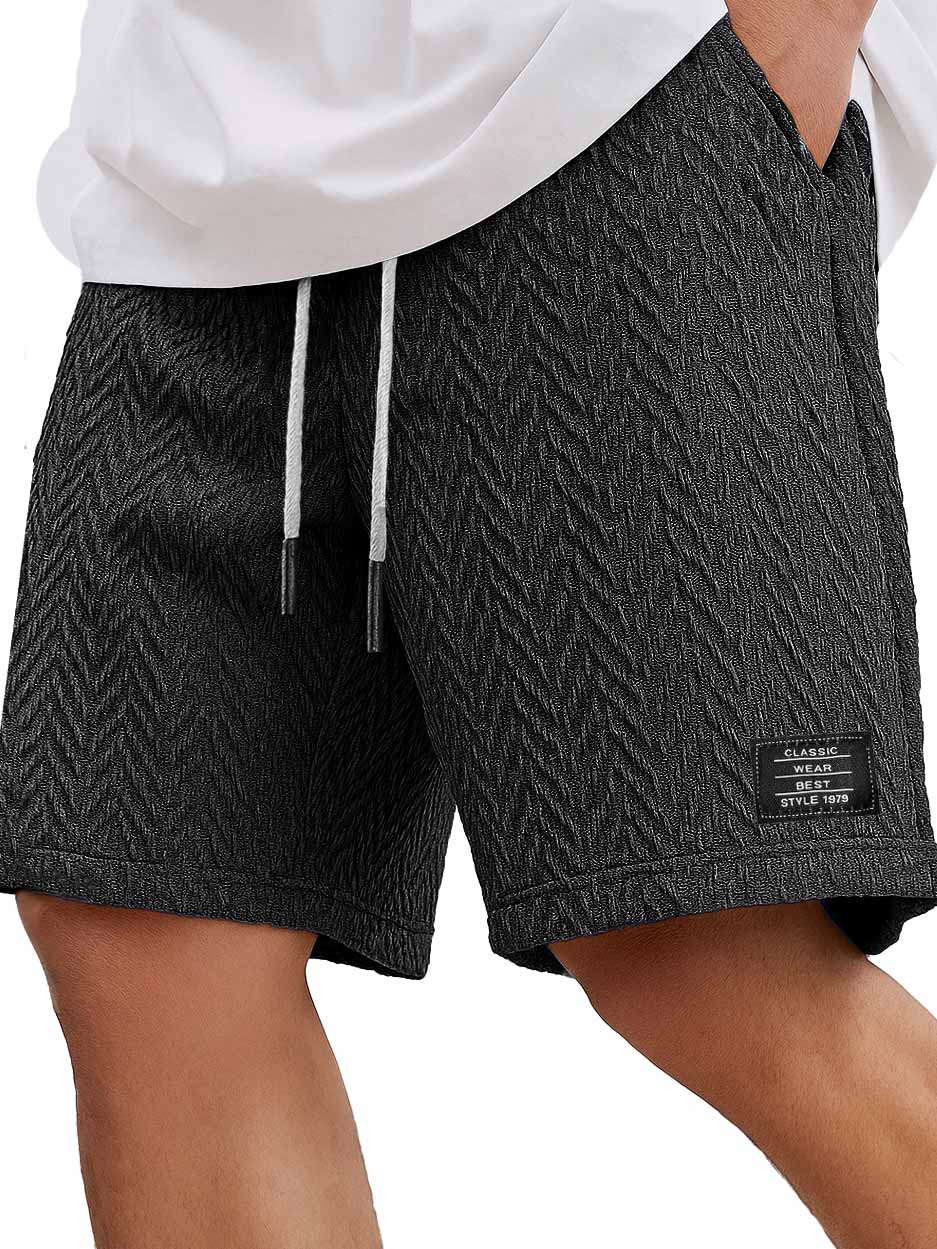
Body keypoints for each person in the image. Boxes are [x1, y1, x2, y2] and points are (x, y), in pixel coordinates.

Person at [3, 1, 937, 1245]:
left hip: (606, 92)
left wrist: (782, 39)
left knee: (707, 944)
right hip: (191, 163)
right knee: (150, 928)